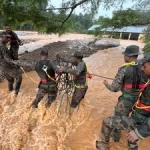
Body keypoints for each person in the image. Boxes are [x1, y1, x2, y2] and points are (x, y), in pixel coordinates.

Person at [96, 53, 150, 150]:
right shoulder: (143, 70)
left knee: (111, 121)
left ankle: (111, 141)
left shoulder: (125, 68)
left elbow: (114, 88)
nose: (142, 69)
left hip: (129, 105)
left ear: (128, 56)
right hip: (138, 106)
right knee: (131, 131)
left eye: (145, 66)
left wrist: (106, 84)